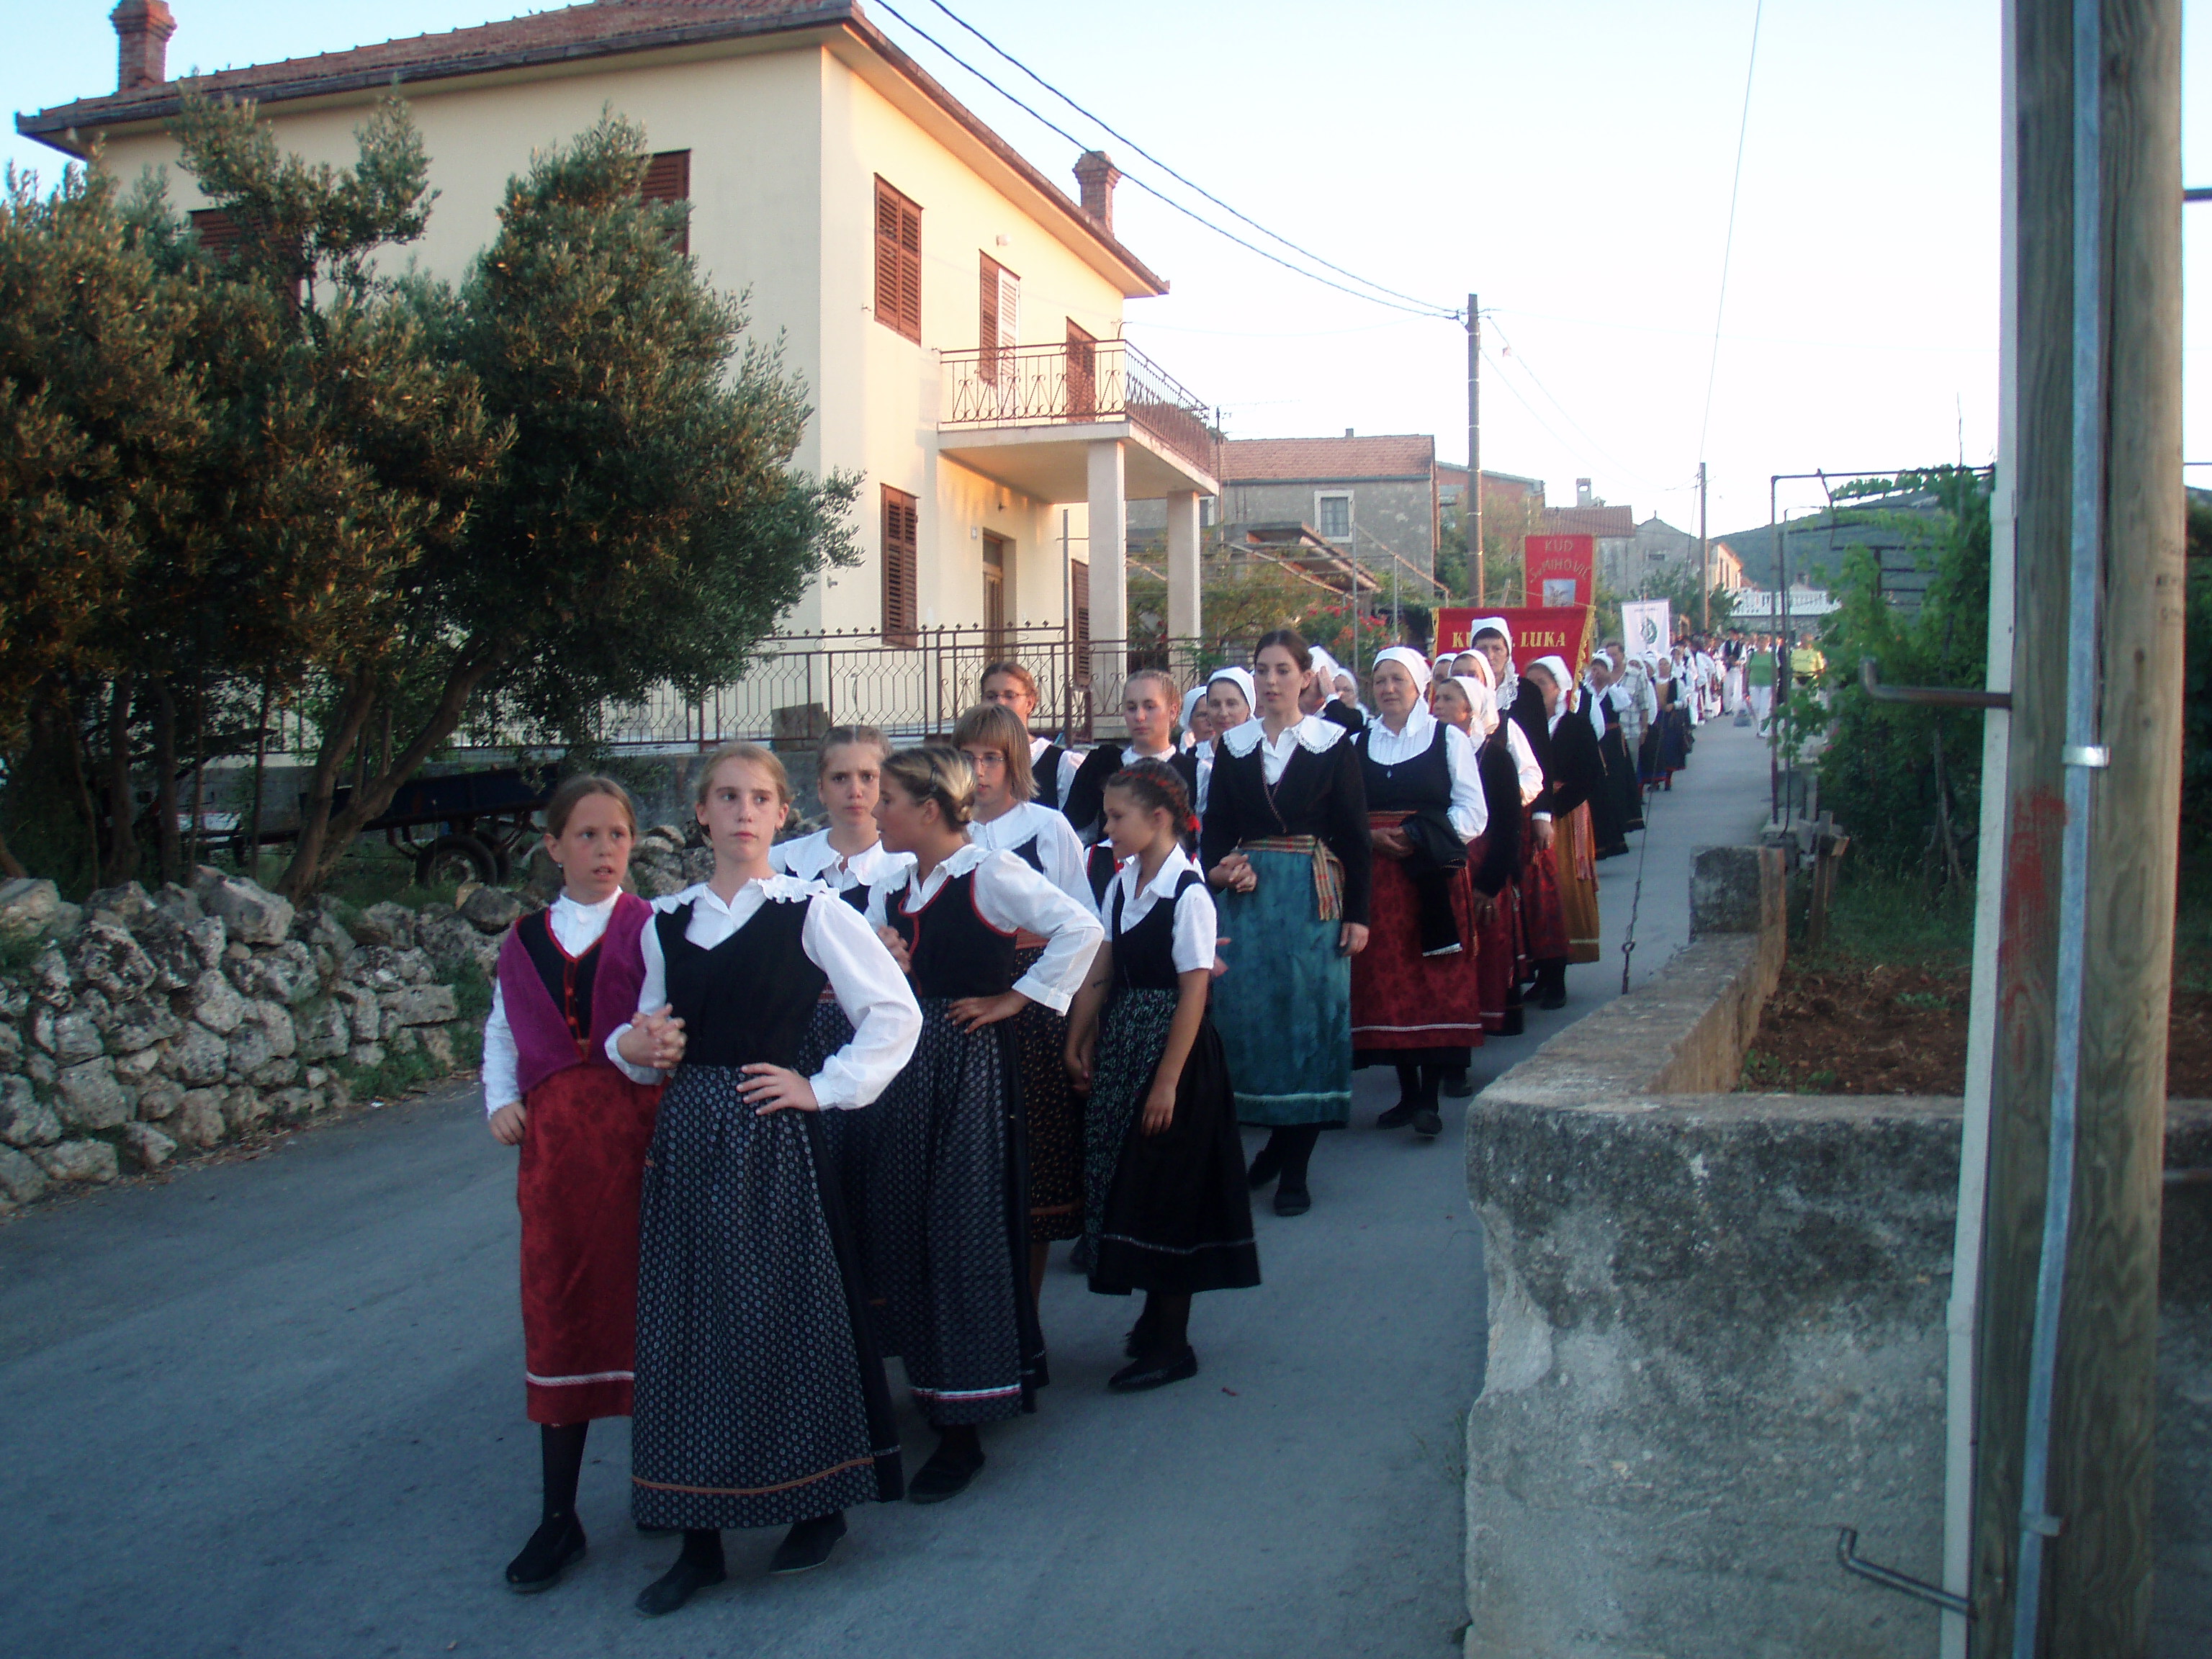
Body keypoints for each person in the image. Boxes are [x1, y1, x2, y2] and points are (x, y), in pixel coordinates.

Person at [608, 742, 923, 1616]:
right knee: (687, 1330)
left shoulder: (810, 909)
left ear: (783, 815)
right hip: (688, 1139)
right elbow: (645, 1039)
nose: (743, 812)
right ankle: (697, 1538)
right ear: (700, 812)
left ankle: (817, 1504)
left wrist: (819, 1089)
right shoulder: (663, 921)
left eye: (759, 798)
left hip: (771, 1137)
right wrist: (635, 1049)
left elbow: (894, 1013)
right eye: (725, 797)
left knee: (784, 1315)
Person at [861, 746, 1103, 1502]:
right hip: (904, 1070)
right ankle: (937, 1386)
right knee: (905, 1228)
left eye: (889, 800)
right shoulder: (895, 883)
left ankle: (963, 1426)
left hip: (968, 1075)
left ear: (929, 809)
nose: (876, 813)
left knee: (960, 1229)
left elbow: (1080, 930)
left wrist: (1016, 1000)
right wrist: (881, 949)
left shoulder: (990, 873)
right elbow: (861, 954)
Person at [482, 775, 665, 1595]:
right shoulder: (523, 940)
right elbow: (501, 1029)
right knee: (562, 1311)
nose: (603, 851)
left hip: (638, 1143)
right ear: (553, 846)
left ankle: (667, 1485)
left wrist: (636, 1047)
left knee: (652, 1309)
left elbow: (660, 1032)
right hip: (556, 1157)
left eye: (617, 836)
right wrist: (500, 1098)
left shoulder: (654, 929)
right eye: (586, 836)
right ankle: (560, 1516)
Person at [1064, 760, 1259, 1392]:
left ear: (1158, 818)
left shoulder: (1189, 894)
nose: (1108, 827)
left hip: (1173, 1053)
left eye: (1117, 817)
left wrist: (1168, 1081)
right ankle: (1153, 1320)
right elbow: (1104, 964)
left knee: (1169, 1189)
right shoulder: (1123, 885)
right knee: (1131, 1182)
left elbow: (1194, 992)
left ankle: (1172, 1341)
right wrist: (1081, 1033)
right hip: (1126, 1044)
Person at [1202, 628, 1372, 1217]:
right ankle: (1273, 1138)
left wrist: (1359, 916)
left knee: (1308, 1022)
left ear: (1306, 677)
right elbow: (1217, 824)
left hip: (1310, 898)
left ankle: (1295, 1166)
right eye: (1261, 670)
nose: (1270, 682)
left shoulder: (1335, 743)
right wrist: (1224, 870)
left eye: (1281, 670)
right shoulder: (1235, 745)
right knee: (1250, 1023)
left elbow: (1354, 835)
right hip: (1248, 903)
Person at [951, 701, 1098, 1295]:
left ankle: (1027, 1317)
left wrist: (1080, 1028)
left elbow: (1086, 927)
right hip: (962, 1003)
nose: (981, 771)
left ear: (1015, 764)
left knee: (1031, 1160)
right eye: (969, 757)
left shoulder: (1046, 828)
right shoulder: (943, 831)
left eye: (993, 758)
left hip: (1034, 1005)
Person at [1349, 647, 1486, 1140]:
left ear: (1421, 686)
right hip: (1380, 877)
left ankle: (1429, 1096)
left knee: (1432, 978)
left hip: (1433, 870)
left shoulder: (1448, 738)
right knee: (1388, 982)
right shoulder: (1357, 742)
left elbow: (1473, 812)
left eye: (1397, 680)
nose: (1387, 688)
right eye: (1380, 679)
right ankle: (1407, 1094)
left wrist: (1416, 837)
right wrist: (1369, 837)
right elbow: (1342, 812)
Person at [1435, 675, 1527, 1042]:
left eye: (1447, 699)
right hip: (1447, 863)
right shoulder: (1432, 751)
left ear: (1468, 710)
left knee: (1486, 949)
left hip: (1484, 864)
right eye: (1436, 697)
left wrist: (1490, 884)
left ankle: (1482, 1021)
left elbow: (1508, 826)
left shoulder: (1495, 757)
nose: (1437, 705)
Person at [1515, 657, 1608, 1007]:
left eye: (1543, 683)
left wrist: (1553, 808)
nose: (1537, 690)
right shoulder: (1524, 724)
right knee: (1532, 894)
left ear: (1560, 687)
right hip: (1533, 811)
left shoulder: (1575, 725)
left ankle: (1559, 976)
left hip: (1564, 816)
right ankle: (1540, 972)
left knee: (1562, 891)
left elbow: (1590, 776)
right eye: (1532, 683)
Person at [1061, 670, 1191, 888]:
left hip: (1173, 882)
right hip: (1109, 878)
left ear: (1172, 711)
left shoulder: (1193, 771)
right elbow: (1076, 829)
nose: (1139, 717)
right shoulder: (1103, 763)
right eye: (1132, 708)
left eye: (1150, 707)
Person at [979, 660, 1077, 811]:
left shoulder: (1062, 764)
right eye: (991, 696)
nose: (1000, 703)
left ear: (1030, 703)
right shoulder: (972, 760)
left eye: (1010, 696)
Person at [1197, 667, 1255, 814]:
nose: (1223, 713)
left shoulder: (1262, 755)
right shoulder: (1193, 755)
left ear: (1248, 708)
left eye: (1231, 704)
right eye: (1215, 705)